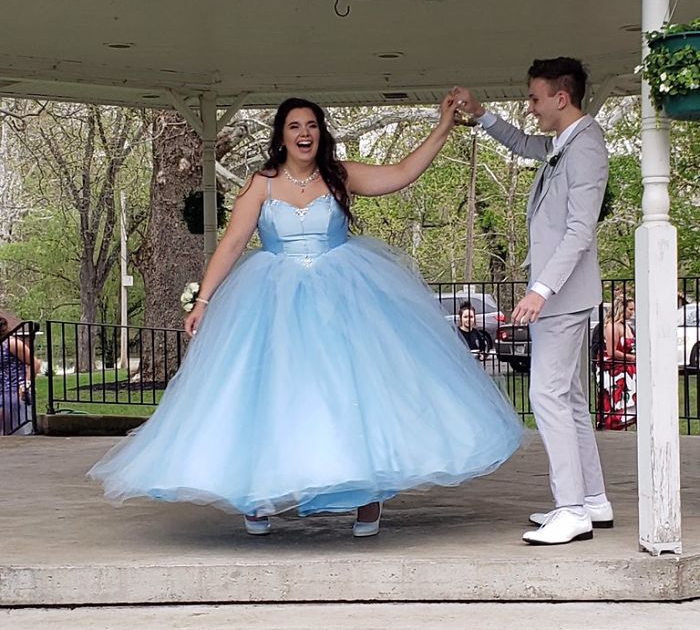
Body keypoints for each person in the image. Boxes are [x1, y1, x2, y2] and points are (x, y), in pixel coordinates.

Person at [89, 93, 522, 537]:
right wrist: (203, 301)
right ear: (281, 134)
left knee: (358, 390)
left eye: (312, 125)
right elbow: (234, 242)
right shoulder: (261, 183)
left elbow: (401, 173)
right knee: (266, 393)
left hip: (345, 295)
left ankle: (366, 498)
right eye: (295, 126)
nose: (304, 133)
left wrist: (444, 126)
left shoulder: (339, 175)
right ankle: (256, 497)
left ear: (321, 132)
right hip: (271, 298)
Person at [454, 58, 613, 546]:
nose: (531, 106)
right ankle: (592, 500)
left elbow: (579, 231)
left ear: (560, 99)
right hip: (562, 296)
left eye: (534, 97)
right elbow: (524, 144)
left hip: (563, 296)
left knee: (546, 396)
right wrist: (481, 114)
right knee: (571, 399)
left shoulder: (585, 148)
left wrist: (540, 290)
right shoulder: (565, 143)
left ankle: (570, 508)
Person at [597, 298, 636, 430]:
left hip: (629, 365)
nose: (632, 312)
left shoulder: (627, 326)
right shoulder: (612, 326)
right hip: (616, 367)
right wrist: (632, 358)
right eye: (630, 309)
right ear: (621, 309)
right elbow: (611, 351)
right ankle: (615, 422)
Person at [0, 313, 42, 436]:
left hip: (13, 391)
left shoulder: (12, 343)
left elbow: (35, 364)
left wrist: (25, 384)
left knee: (16, 429)